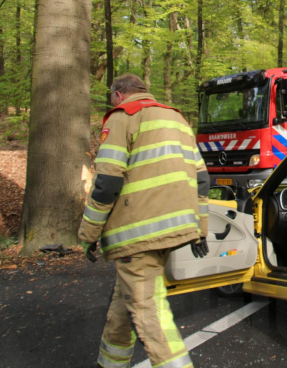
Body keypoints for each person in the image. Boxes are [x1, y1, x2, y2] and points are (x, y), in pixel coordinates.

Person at [79, 74, 209, 368]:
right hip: (175, 229)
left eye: (112, 96)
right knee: (124, 304)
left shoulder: (123, 117)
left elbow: (106, 184)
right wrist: (200, 230)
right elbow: (202, 180)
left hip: (137, 234)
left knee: (148, 308)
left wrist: (88, 234)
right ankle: (109, 363)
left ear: (118, 95)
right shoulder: (177, 119)